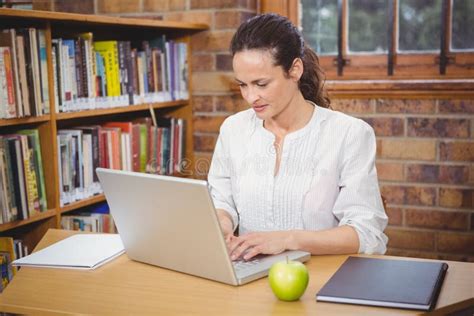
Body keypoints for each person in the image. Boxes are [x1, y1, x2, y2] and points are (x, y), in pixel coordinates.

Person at [207, 13, 388, 261]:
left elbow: (366, 233)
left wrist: (287, 239)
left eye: (261, 84)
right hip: (248, 275)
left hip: (323, 277)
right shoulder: (233, 130)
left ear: (295, 70)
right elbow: (221, 202)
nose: (250, 97)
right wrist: (223, 226)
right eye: (243, 84)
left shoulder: (349, 134)